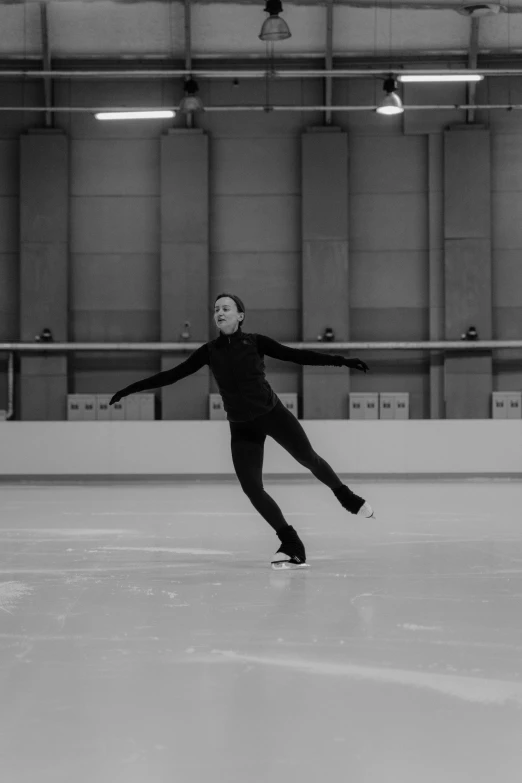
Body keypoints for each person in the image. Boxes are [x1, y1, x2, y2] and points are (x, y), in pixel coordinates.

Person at [109, 293, 375, 570]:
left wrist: (341, 360)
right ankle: (291, 543)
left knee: (308, 458)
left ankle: (345, 496)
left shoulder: (256, 342)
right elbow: (172, 375)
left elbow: (296, 356)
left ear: (240, 315)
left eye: (226, 308)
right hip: (241, 426)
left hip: (273, 415)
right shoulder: (209, 351)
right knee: (251, 487)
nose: (219, 313)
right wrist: (131, 388)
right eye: (216, 309)